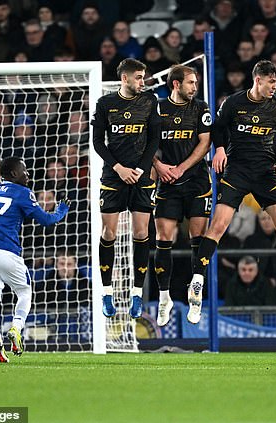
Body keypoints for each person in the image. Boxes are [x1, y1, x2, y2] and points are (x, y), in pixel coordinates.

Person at [187, 60, 276, 324]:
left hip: (265, 172)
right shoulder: (234, 102)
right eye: (271, 83)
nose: (275, 87)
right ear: (258, 80)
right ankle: (197, 284)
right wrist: (218, 148)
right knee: (217, 226)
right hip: (237, 171)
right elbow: (218, 127)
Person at [0, 157, 70, 363]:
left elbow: (9, 214)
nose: (28, 175)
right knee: (24, 292)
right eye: (24, 171)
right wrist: (61, 211)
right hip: (7, 253)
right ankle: (16, 328)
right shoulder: (23, 192)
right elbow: (46, 220)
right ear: (15, 174)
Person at [91, 58, 161, 319]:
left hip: (141, 177)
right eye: (139, 77)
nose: (143, 82)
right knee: (109, 232)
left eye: (143, 77)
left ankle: (136, 294)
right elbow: (98, 142)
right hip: (113, 176)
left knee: (141, 232)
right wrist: (118, 167)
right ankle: (107, 293)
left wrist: (141, 169)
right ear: (125, 78)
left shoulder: (150, 101)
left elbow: (154, 138)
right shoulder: (106, 103)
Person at [152, 65, 212, 327]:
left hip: (197, 180)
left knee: (197, 238)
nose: (194, 87)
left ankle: (195, 291)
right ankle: (164, 298)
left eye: (196, 82)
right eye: (190, 82)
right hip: (168, 182)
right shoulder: (158, 110)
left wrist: (181, 168)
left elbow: (205, 142)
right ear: (176, 84)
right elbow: (146, 145)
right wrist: (159, 166)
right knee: (163, 239)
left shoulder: (201, 108)